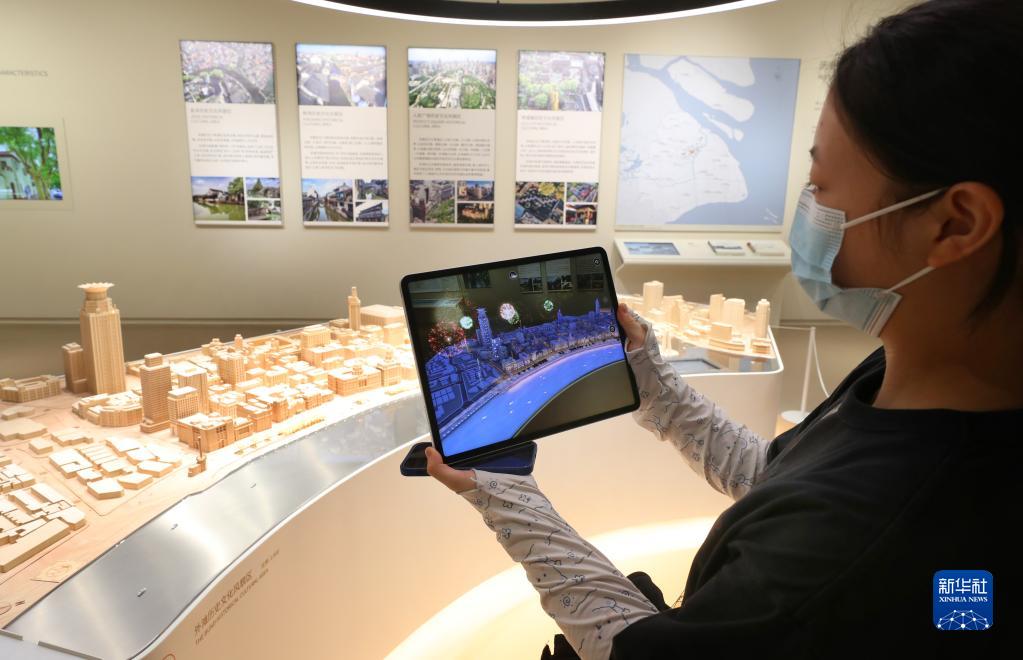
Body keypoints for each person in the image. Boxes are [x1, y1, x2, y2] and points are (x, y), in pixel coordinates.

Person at [426, 0, 1021, 656]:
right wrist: (653, 386)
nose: (806, 208)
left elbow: (636, 650)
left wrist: (508, 497)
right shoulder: (916, 373)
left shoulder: (855, 550)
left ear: (955, 224)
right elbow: (778, 476)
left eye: (821, 185)